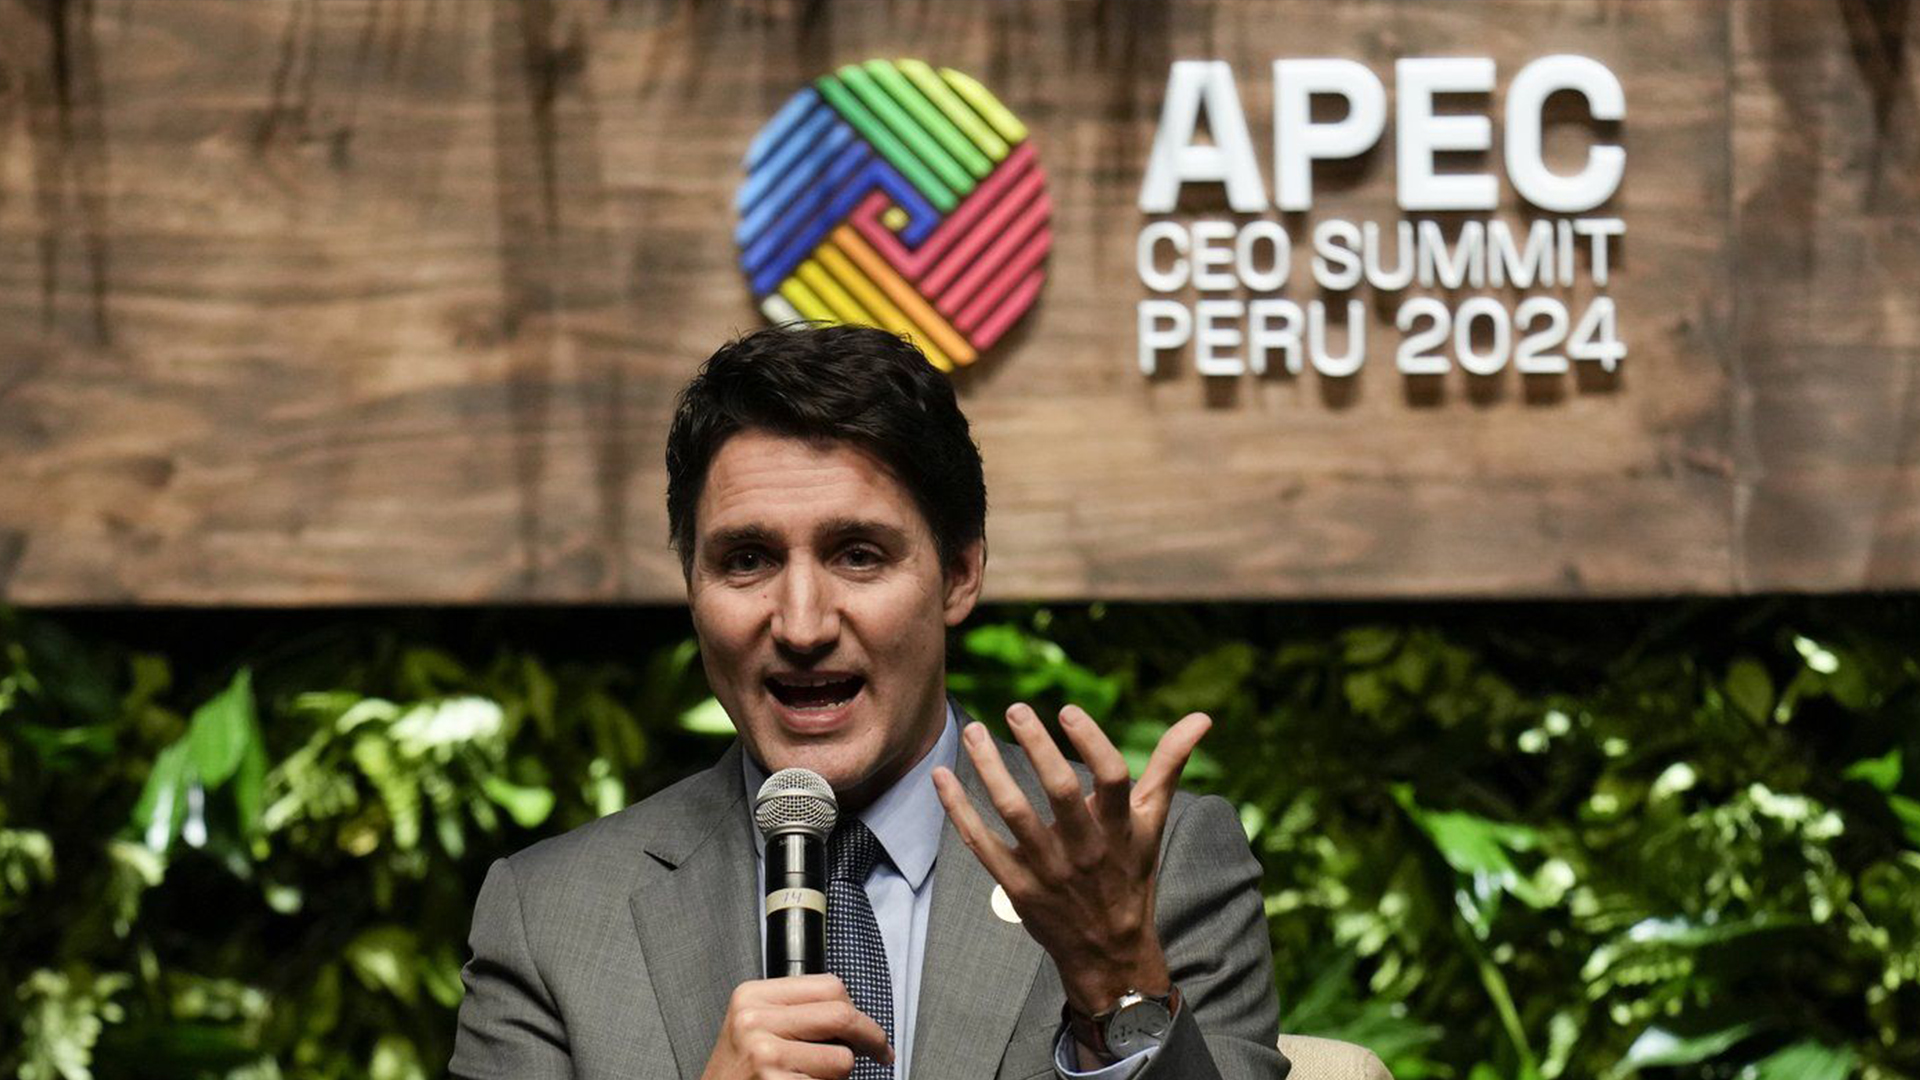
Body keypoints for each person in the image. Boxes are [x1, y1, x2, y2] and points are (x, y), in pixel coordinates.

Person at [450, 325, 1289, 1080]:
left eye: (858, 554)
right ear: (691, 586)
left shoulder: (1155, 866)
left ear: (959, 575)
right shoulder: (550, 917)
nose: (803, 624)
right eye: (746, 560)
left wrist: (1118, 987)